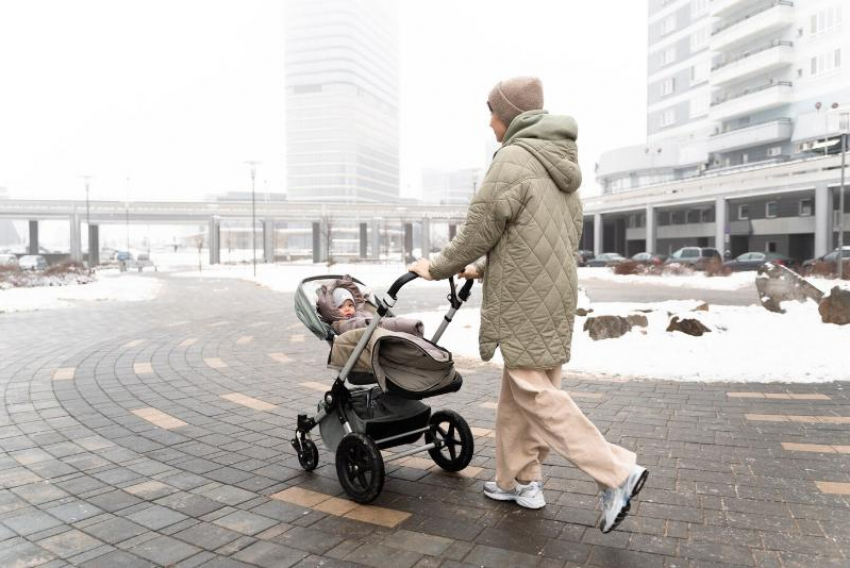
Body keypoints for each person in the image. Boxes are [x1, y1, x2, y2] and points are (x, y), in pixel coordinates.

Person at [408, 76, 648, 533]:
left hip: (524, 300)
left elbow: (479, 229)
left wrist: (437, 266)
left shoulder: (514, 160)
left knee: (537, 398)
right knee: (520, 397)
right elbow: (537, 237)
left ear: (512, 114)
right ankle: (518, 480)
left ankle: (617, 473)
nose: (489, 121)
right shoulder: (561, 165)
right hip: (554, 293)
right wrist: (488, 269)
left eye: (493, 111)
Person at [316, 277, 424, 337]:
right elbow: (356, 326)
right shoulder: (340, 323)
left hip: (378, 326)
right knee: (402, 326)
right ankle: (412, 327)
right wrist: (369, 322)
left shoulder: (360, 312)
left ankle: (411, 328)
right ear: (332, 309)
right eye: (341, 306)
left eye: (350, 305)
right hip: (372, 328)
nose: (348, 309)